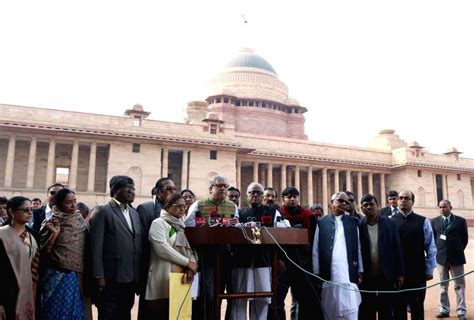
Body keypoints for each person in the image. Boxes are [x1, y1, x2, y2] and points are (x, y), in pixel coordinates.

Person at [89, 176, 144, 320]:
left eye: (133, 188)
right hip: (110, 278)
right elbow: (95, 247)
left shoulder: (134, 213)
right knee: (108, 314)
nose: (132, 192)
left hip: (130, 278)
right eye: (128, 188)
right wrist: (98, 275)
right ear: (114, 190)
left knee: (125, 314)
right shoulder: (102, 211)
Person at [185, 175, 238, 320]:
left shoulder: (232, 206)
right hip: (206, 255)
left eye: (225, 186)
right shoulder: (198, 205)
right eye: (219, 186)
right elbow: (188, 228)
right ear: (210, 189)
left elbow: (237, 227)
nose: (223, 189)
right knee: (209, 293)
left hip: (226, 254)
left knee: (227, 292)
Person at [231, 182, 287, 320]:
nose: (255, 195)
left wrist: (279, 258)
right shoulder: (239, 212)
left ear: (263, 196)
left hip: (263, 260)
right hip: (242, 261)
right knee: (239, 299)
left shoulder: (273, 212)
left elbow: (281, 235)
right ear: (247, 195)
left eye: (258, 193)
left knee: (262, 299)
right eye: (251, 192)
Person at [145, 193, 197, 318]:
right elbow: (162, 249)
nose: (182, 209)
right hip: (163, 276)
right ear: (167, 207)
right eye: (178, 206)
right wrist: (187, 263)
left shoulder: (184, 226)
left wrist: (191, 267)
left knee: (180, 315)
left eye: (184, 207)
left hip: (182, 277)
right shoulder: (158, 223)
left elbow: (193, 249)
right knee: (161, 314)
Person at [312, 192, 363, 320]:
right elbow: (316, 250)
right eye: (340, 201)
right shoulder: (322, 223)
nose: (344, 204)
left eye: (346, 202)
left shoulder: (353, 223)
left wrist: (360, 270)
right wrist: (317, 273)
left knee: (350, 312)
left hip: (348, 275)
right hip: (329, 275)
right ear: (331, 202)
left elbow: (358, 249)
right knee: (330, 312)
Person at [39, 188, 88, 320]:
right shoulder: (50, 223)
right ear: (59, 204)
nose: (73, 206)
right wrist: (54, 235)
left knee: (74, 311)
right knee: (54, 312)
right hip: (55, 273)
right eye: (68, 202)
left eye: (74, 201)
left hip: (76, 275)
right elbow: (43, 252)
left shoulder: (79, 220)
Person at [391, 190, 437, 320]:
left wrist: (429, 269)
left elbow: (431, 247)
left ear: (413, 202)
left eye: (406, 198)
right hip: (397, 274)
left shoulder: (423, 221)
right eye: (400, 198)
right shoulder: (390, 222)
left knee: (417, 308)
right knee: (398, 309)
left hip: (417, 273)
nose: (403, 201)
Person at [358, 193, 404, 319]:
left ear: (377, 206)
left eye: (371, 204)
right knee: (368, 311)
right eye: (365, 205)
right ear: (361, 209)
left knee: (386, 311)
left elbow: (397, 249)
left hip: (386, 275)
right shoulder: (358, 226)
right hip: (367, 277)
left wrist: (400, 273)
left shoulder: (390, 224)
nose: (369, 207)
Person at [277, 186, 320, 320]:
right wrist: (279, 259)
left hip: (303, 263)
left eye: (295, 196)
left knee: (304, 300)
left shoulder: (309, 216)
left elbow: (314, 240)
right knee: (278, 299)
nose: (292, 199)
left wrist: (310, 260)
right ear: (283, 199)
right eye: (289, 197)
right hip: (284, 264)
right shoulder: (278, 215)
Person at [136, 177, 176, 320]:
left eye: (174, 189)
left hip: (172, 269)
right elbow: (141, 242)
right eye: (168, 189)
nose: (172, 192)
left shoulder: (176, 211)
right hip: (151, 268)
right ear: (157, 192)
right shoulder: (145, 208)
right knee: (150, 311)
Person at [0, 196, 40, 320]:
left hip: (30, 292)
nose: (29, 213)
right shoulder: (2, 235)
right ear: (11, 212)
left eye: (31, 210)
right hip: (7, 293)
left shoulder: (34, 236)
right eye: (25, 210)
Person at [431, 200, 468, 320]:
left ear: (450, 207)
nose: (442, 209)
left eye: (445, 207)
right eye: (440, 207)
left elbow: (464, 238)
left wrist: (456, 249)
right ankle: (444, 310)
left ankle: (461, 311)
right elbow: (433, 238)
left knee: (459, 285)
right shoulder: (435, 221)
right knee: (443, 286)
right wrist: (440, 251)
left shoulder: (460, 221)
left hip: (456, 258)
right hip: (441, 258)